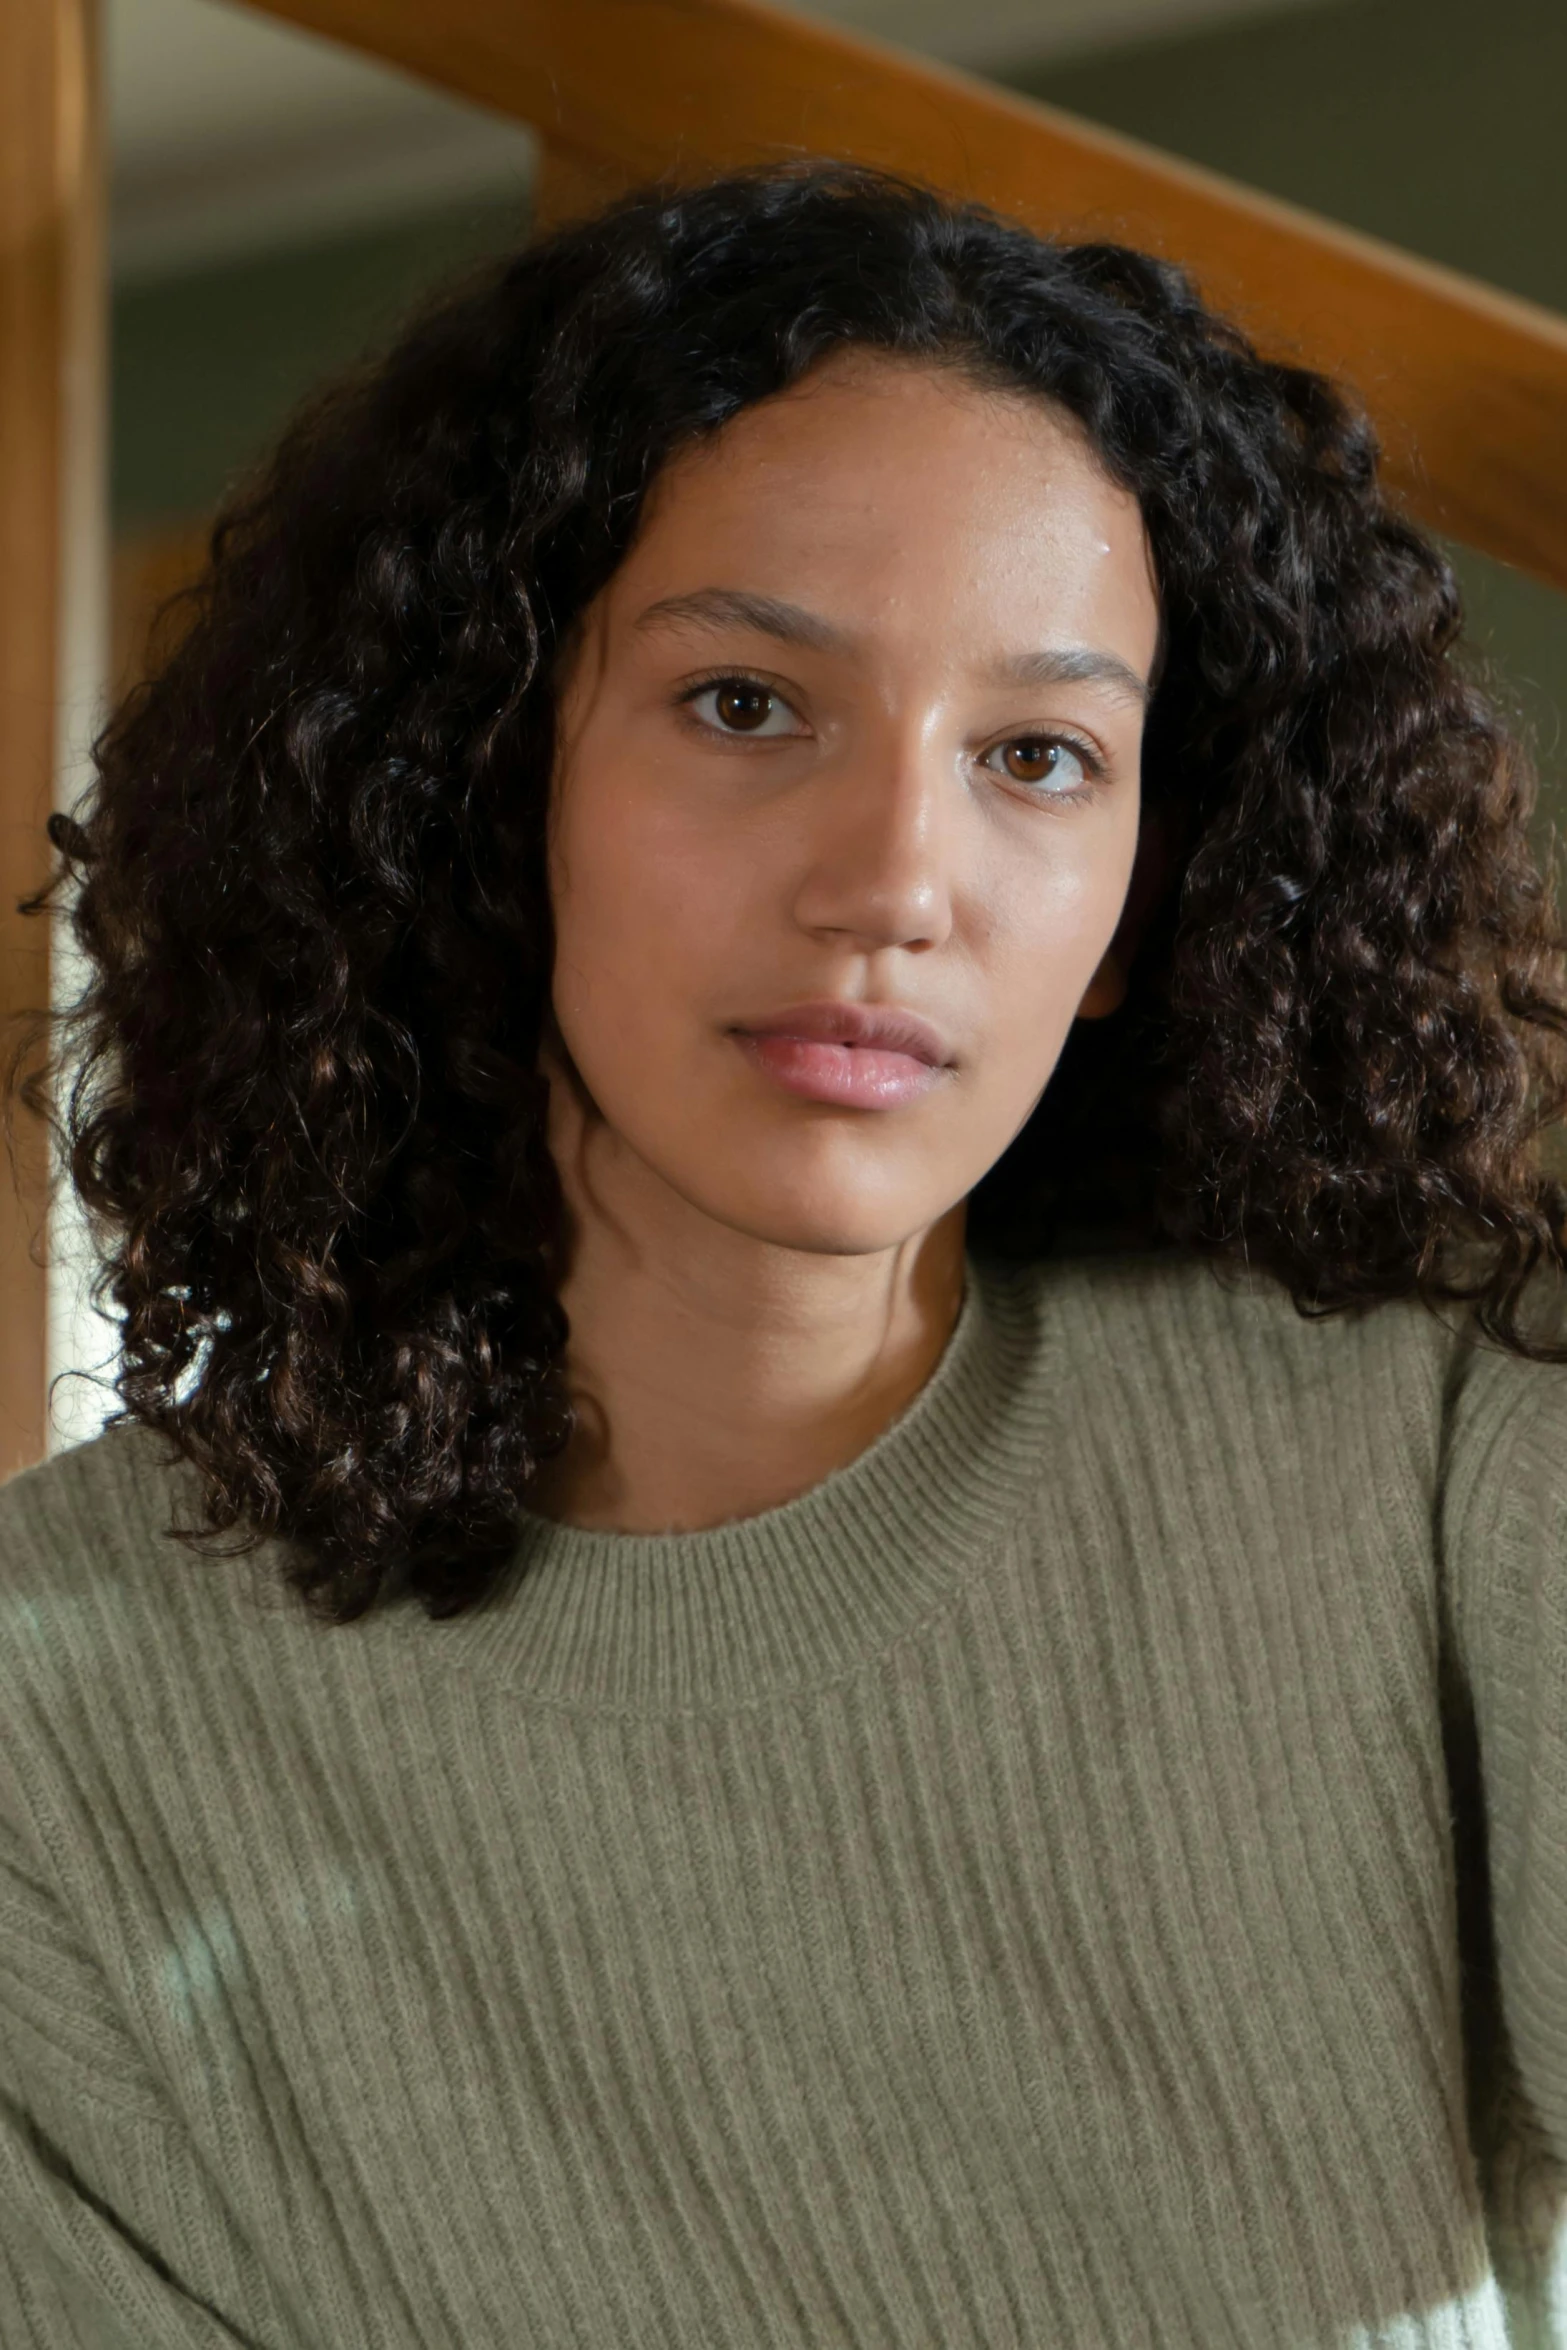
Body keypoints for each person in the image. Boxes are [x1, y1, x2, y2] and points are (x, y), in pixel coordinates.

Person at [2, 160, 1566, 2349]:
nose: (897, 876)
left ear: (1143, 895)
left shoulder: (1435, 1433)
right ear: (482, 772)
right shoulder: (52, 1732)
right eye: (748, 703)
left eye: (1040, 753)